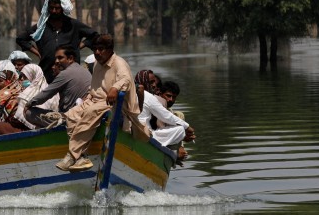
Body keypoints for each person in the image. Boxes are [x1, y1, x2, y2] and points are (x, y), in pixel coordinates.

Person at [55, 34, 144, 172]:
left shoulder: (119, 63)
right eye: (95, 49)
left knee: (90, 112)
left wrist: (115, 88)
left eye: (101, 49)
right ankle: (81, 157)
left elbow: (125, 80)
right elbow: (95, 89)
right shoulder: (97, 64)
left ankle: (72, 155)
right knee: (71, 114)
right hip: (96, 101)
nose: (97, 52)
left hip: (114, 104)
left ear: (110, 49)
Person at [16, 0, 98, 83]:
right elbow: (21, 39)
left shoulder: (73, 25)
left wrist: (78, 47)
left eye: (57, 8)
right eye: (51, 8)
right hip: (47, 71)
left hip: (70, 72)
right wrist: (38, 53)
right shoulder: (41, 27)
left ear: (62, 8)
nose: (54, 11)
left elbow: (94, 35)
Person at [26, 46, 92, 127]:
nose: (56, 61)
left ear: (70, 58)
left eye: (60, 58)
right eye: (56, 58)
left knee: (29, 112)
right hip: (84, 115)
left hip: (71, 119)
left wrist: (28, 104)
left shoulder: (65, 74)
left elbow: (45, 94)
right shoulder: (84, 71)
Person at [140, 79, 195, 159]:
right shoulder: (151, 99)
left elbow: (168, 117)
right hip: (146, 134)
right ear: (160, 93)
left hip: (153, 135)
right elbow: (166, 116)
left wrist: (183, 138)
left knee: (179, 118)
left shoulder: (170, 111)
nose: (171, 100)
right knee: (180, 128)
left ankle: (175, 153)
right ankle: (174, 153)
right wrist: (186, 128)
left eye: (174, 97)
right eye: (168, 96)